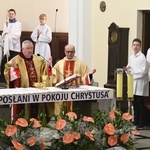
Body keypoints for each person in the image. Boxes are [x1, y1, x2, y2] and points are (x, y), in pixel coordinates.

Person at [4, 40, 53, 120]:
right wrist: (14, 69)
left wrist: (48, 66)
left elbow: (44, 72)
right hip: (23, 92)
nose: (30, 50)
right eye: (28, 48)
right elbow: (8, 72)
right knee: (25, 113)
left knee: (37, 115)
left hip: (36, 92)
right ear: (22, 49)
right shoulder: (16, 60)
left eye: (31, 48)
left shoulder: (38, 59)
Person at [52, 44, 96, 115]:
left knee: (75, 112)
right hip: (62, 94)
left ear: (74, 52)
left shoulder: (80, 64)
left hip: (75, 94)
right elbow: (53, 78)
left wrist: (89, 75)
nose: (69, 53)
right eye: (68, 51)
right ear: (64, 52)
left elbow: (85, 77)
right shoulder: (59, 64)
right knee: (61, 114)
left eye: (71, 52)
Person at [123, 38, 149, 129]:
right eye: (134, 45)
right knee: (134, 102)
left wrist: (132, 71)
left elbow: (143, 71)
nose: (135, 47)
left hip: (140, 83)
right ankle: (136, 120)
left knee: (140, 102)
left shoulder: (142, 57)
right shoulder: (131, 57)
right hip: (133, 83)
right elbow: (128, 68)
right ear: (132, 46)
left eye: (137, 45)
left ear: (140, 46)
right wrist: (127, 70)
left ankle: (142, 122)